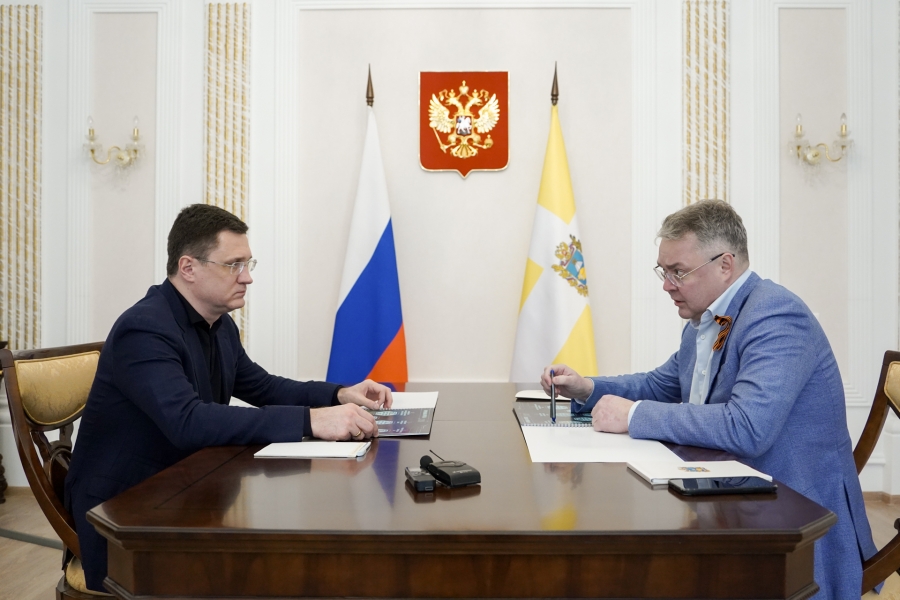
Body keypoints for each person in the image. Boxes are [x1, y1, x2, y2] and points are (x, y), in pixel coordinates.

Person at [542, 199, 877, 599]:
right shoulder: (707, 318)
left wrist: (633, 415)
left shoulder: (776, 315)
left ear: (725, 265)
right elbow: (660, 384)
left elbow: (748, 427)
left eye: (678, 272)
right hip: (729, 495)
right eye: (663, 271)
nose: (666, 285)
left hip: (790, 516)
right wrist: (587, 388)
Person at [65, 204, 392, 591]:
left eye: (248, 263)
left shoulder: (219, 325)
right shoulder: (144, 329)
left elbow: (263, 387)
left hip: (185, 489)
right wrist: (312, 420)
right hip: (124, 511)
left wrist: (338, 393)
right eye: (234, 265)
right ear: (189, 268)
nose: (247, 277)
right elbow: (188, 421)